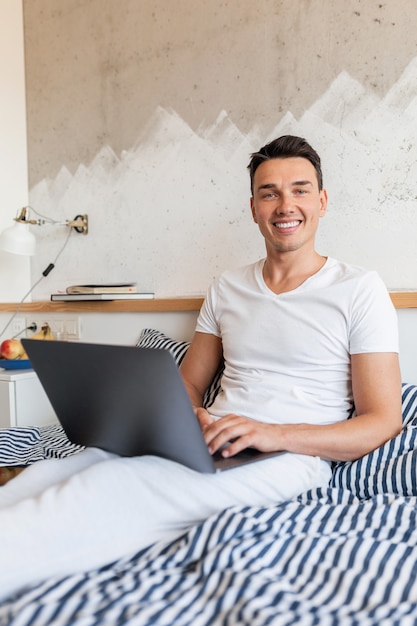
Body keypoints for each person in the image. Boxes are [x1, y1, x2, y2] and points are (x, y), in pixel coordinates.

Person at [0, 135, 401, 601]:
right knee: (65, 468)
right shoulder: (228, 287)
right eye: (270, 193)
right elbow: (190, 382)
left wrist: (276, 434)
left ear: (322, 201)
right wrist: (188, 414)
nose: (285, 204)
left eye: (300, 189)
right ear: (253, 207)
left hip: (291, 456)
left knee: (110, 489)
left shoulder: (360, 289)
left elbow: (383, 420)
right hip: (209, 439)